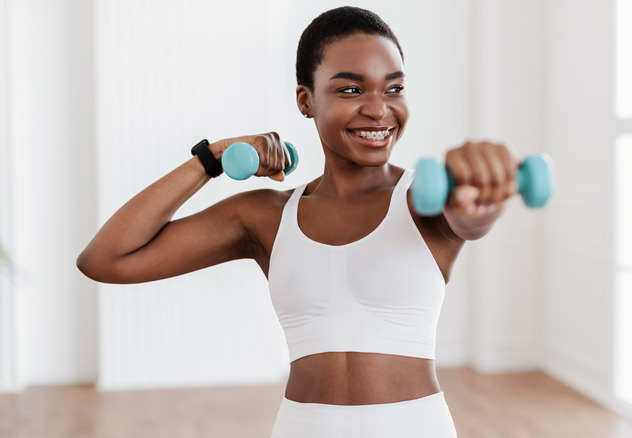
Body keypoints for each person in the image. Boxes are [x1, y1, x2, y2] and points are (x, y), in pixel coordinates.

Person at [77, 6, 517, 437]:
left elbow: (471, 217)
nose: (379, 110)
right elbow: (106, 259)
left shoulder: (427, 201)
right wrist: (209, 159)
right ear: (306, 100)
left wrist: (484, 192)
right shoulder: (265, 216)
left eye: (394, 88)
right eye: (350, 90)